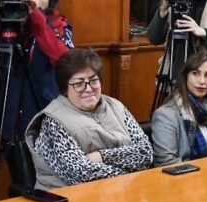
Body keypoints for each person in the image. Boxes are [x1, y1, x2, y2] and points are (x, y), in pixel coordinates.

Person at [25, 48, 153, 189]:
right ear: (64, 89)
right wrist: (129, 174)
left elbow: (146, 153)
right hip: (67, 197)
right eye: (79, 84)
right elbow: (80, 174)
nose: (88, 88)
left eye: (93, 80)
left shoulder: (116, 106)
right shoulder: (52, 120)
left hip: (118, 193)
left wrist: (101, 156)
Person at [0, 0, 74, 143]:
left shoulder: (58, 24)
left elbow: (63, 59)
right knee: (12, 153)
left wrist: (35, 15)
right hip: (9, 110)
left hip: (42, 110)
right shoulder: (6, 24)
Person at [151, 50, 207, 166]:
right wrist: (206, 172)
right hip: (185, 176)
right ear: (185, 77)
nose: (202, 81)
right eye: (195, 73)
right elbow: (166, 163)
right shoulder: (165, 115)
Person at [147, 0, 207, 94]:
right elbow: (154, 38)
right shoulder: (173, 1)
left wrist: (204, 33)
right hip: (174, 76)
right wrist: (163, 10)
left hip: (206, 82)